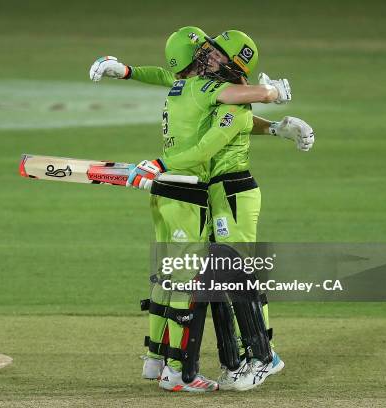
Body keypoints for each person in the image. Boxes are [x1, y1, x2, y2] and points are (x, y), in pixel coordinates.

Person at [89, 27, 314, 392]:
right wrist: (127, 71)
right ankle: (231, 359)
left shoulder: (222, 94)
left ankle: (263, 354)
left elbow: (216, 134)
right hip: (209, 191)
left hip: (232, 190)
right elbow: (171, 78)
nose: (207, 56)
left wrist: (271, 98)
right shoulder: (198, 86)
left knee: (234, 273)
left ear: (231, 64)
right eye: (205, 52)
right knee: (208, 276)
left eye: (214, 53)